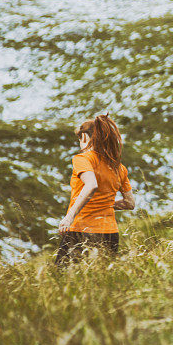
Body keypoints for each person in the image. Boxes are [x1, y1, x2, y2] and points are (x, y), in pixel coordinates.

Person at [55, 113, 135, 266]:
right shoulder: (119, 167)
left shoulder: (83, 159)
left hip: (80, 231)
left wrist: (69, 217)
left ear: (84, 137)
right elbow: (130, 203)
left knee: (63, 279)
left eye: (79, 139)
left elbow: (91, 185)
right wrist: (104, 203)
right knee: (101, 285)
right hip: (110, 235)